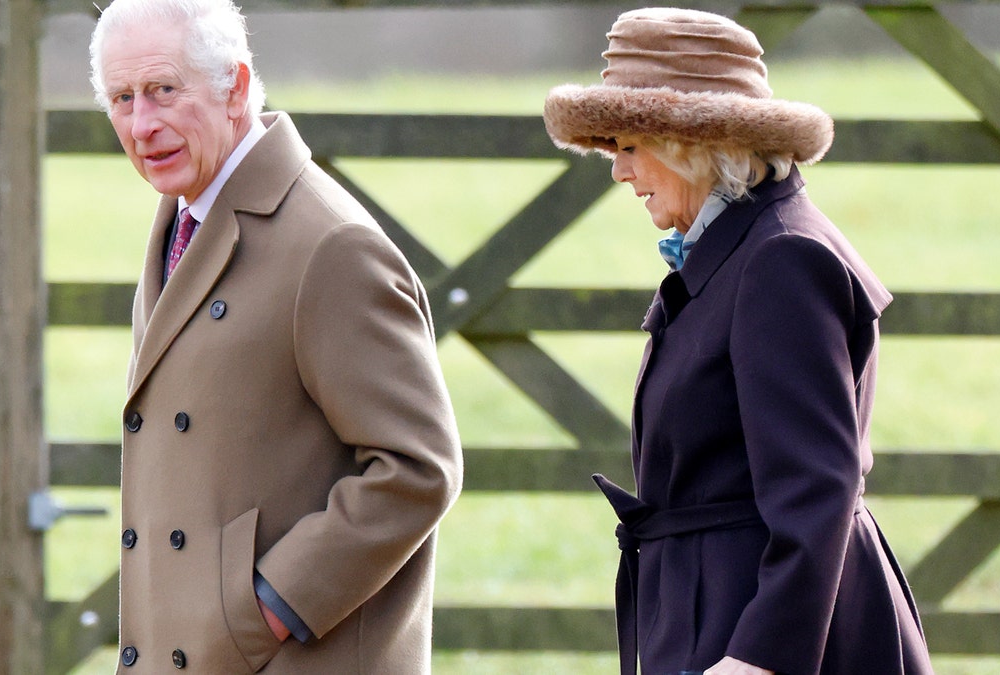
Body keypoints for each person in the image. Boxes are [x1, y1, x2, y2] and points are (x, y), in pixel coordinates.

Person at [543, 8, 934, 675]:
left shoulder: (781, 259)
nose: (618, 172)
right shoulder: (742, 246)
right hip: (717, 606)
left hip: (762, 629)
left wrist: (759, 657)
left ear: (692, 141)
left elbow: (818, 484)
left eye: (631, 146)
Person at [88, 0, 463, 672]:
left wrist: (268, 605)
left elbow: (419, 467)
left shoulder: (331, 246)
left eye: (163, 91)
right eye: (122, 98)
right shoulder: (182, 214)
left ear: (234, 85)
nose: (142, 124)